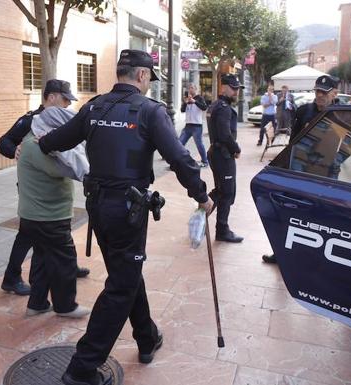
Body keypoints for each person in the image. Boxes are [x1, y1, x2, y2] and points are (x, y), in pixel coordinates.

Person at [38, 49, 214, 385]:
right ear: (143, 75)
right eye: (150, 79)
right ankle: (82, 368)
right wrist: (202, 195)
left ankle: (147, 337)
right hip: (127, 212)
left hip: (98, 208)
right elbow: (179, 158)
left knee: (126, 270)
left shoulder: (94, 106)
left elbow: (57, 140)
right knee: (121, 284)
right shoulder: (149, 111)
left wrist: (35, 142)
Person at [0, 79, 90, 296]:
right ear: (51, 96)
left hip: (55, 186)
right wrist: (15, 150)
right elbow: (3, 142)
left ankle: (69, 266)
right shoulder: (30, 121)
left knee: (60, 227)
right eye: (65, 99)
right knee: (28, 233)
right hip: (36, 188)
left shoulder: (63, 120)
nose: (68, 104)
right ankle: (11, 277)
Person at [17, 105, 91, 319]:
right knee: (65, 261)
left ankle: (37, 303)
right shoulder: (35, 145)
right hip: (47, 216)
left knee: (42, 259)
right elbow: (69, 170)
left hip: (38, 215)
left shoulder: (35, 141)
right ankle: (66, 306)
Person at [262, 74, 340, 264]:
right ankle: (281, 252)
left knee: (321, 217)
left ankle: (313, 256)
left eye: (324, 92)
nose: (320, 95)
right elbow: (293, 141)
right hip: (302, 171)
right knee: (291, 213)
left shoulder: (341, 113)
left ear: (334, 93)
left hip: (326, 173)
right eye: (318, 91)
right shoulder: (304, 111)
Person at [206, 73, 244, 243]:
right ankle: (222, 230)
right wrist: (235, 149)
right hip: (222, 155)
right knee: (227, 192)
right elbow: (224, 134)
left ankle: (199, 219)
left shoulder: (215, 105)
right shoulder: (223, 108)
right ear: (224, 87)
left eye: (237, 89)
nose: (236, 92)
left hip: (217, 153)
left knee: (221, 191)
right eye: (234, 88)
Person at [179, 83, 209, 167]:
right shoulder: (187, 99)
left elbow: (204, 107)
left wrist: (194, 101)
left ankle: (205, 161)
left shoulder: (200, 98)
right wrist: (185, 102)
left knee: (199, 144)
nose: (190, 89)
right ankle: (180, 160)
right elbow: (182, 110)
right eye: (189, 88)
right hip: (188, 125)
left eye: (192, 88)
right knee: (179, 143)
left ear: (196, 89)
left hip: (197, 126)